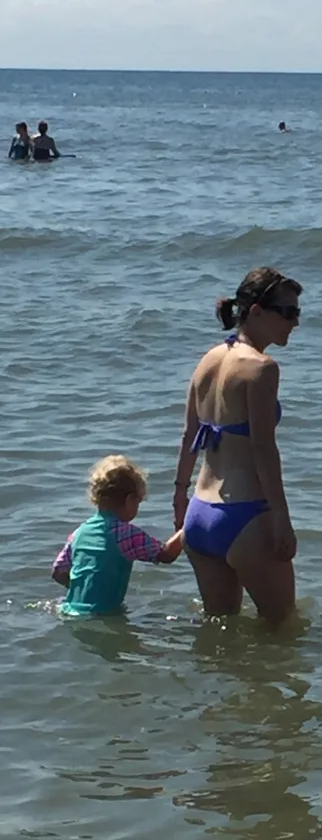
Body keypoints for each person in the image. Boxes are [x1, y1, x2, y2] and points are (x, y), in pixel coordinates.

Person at [172, 266, 303, 626]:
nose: (295, 323)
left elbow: (188, 436)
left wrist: (180, 499)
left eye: (298, 313)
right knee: (283, 631)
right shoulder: (262, 368)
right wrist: (281, 519)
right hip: (245, 516)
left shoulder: (209, 359)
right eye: (288, 313)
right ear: (257, 312)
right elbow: (263, 449)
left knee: (221, 636)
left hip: (199, 517)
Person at [51, 456, 184, 617]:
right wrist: (188, 528)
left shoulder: (79, 533)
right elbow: (166, 554)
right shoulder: (125, 534)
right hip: (101, 615)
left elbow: (58, 572)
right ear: (130, 500)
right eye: (138, 502)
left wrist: (87, 589)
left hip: (70, 611)